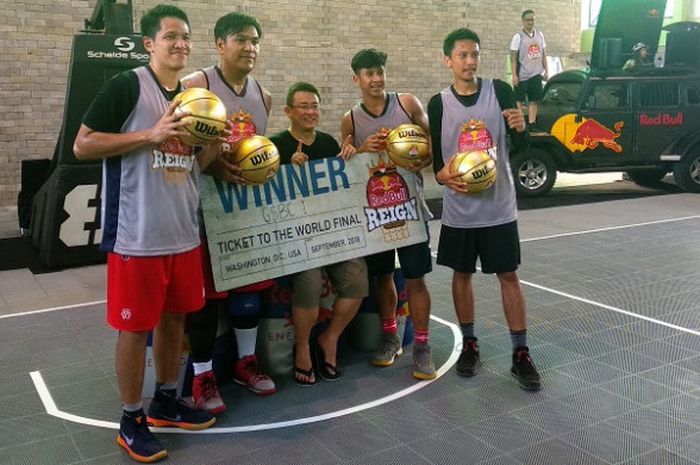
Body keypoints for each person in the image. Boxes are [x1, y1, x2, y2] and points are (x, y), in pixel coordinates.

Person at [73, 4, 218, 462]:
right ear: (149, 43)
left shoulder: (194, 97)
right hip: (136, 235)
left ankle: (167, 400)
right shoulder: (128, 85)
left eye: (185, 37)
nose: (180, 44)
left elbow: (198, 165)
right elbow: (83, 143)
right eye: (170, 36)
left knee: (175, 320)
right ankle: (131, 418)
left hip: (182, 233)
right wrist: (149, 135)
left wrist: (212, 142)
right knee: (134, 329)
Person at [429, 27, 541, 390]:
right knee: (461, 274)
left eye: (474, 54)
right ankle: (470, 344)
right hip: (461, 210)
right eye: (462, 55)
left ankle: (520, 352)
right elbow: (436, 163)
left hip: (498, 208)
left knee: (508, 275)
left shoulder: (501, 90)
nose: (470, 61)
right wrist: (444, 176)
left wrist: (523, 127)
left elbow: (520, 144)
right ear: (448, 60)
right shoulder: (438, 103)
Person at [181, 12, 276, 414]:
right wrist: (211, 160)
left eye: (255, 41)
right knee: (204, 302)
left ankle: (245, 362)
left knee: (247, 297)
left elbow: (258, 152)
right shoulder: (195, 86)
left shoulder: (264, 96)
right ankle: (202, 376)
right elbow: (173, 152)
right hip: (200, 212)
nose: (250, 47)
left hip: (242, 212)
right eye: (241, 39)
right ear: (219, 44)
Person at [340, 48, 436, 380]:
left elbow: (430, 146)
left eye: (380, 71)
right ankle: (391, 336)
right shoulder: (350, 119)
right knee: (382, 277)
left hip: (409, 207)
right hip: (377, 211)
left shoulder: (407, 103)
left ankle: (422, 345)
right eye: (369, 73)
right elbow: (350, 168)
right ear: (357, 79)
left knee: (415, 278)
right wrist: (358, 151)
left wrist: (413, 156)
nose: (377, 78)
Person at [269, 82, 367, 385]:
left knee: (357, 280)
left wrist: (352, 156)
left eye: (315, 106)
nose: (311, 112)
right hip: (295, 237)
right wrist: (285, 166)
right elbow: (261, 195)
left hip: (329, 233)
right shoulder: (274, 147)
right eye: (304, 106)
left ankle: (330, 339)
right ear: (288, 111)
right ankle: (302, 348)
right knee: (309, 284)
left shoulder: (327, 144)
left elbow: (341, 188)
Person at [510, 9, 549, 126]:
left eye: (532, 20)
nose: (530, 22)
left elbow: (544, 53)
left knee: (534, 101)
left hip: (536, 73)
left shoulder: (540, 35)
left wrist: (547, 71)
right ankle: (521, 123)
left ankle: (532, 124)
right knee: (519, 101)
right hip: (523, 75)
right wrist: (514, 75)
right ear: (523, 21)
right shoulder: (518, 37)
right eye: (527, 20)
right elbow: (512, 58)